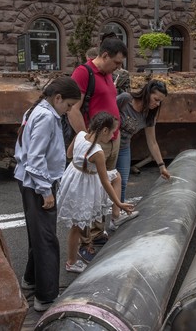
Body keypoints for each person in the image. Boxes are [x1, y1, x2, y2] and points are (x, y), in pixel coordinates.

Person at [13, 77, 81, 312]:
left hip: (30, 181)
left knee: (38, 235)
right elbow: (36, 158)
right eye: (69, 105)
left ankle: (31, 281)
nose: (69, 110)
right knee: (47, 240)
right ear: (58, 98)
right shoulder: (45, 116)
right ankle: (46, 297)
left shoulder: (38, 110)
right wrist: (45, 191)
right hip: (37, 183)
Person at [68, 37, 128, 263]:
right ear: (104, 56)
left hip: (111, 139)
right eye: (116, 62)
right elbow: (73, 109)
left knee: (102, 190)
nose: (119, 67)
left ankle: (97, 233)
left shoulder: (108, 74)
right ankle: (87, 242)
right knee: (89, 193)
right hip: (96, 142)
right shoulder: (84, 73)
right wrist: (86, 139)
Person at [57, 112, 135, 273]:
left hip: (74, 177)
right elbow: (105, 180)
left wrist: (81, 163)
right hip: (85, 183)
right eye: (113, 132)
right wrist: (119, 202)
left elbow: (69, 154)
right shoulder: (97, 152)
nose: (113, 135)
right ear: (104, 130)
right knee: (76, 226)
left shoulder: (80, 135)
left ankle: (115, 216)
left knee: (117, 176)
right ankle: (71, 262)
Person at [115, 80, 171, 230]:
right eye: (156, 99)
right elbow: (106, 114)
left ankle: (117, 216)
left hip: (124, 148)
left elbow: (152, 142)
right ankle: (97, 224)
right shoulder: (125, 99)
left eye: (160, 102)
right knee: (104, 182)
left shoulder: (149, 115)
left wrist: (161, 166)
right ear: (147, 93)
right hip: (109, 147)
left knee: (123, 182)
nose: (157, 104)